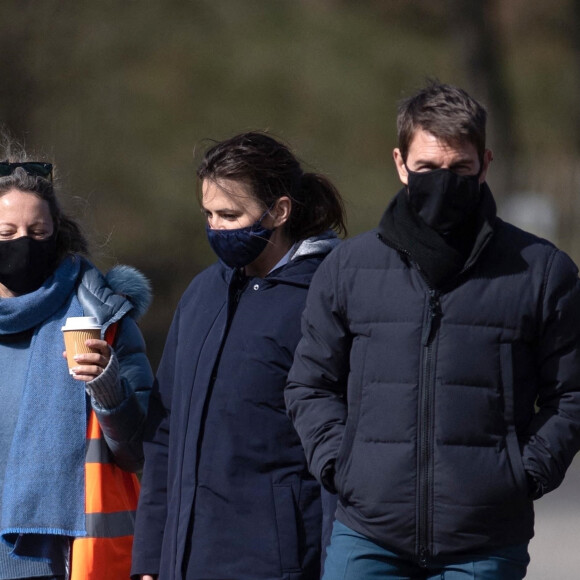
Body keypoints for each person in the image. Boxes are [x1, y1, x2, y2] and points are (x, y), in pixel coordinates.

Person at [284, 81, 580, 579]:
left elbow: (570, 394)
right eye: (426, 169)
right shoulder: (348, 269)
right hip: (367, 535)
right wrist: (342, 466)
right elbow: (310, 383)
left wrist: (522, 474)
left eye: (459, 169)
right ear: (400, 163)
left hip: (485, 541)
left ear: (485, 163)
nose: (442, 183)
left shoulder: (543, 272)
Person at [131, 131, 346, 580]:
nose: (216, 228)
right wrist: (151, 557)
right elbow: (164, 430)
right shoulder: (200, 294)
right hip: (181, 563)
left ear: (280, 211)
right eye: (208, 214)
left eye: (230, 214)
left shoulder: (327, 300)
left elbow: (339, 455)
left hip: (276, 564)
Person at [0, 151, 153, 580]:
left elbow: (139, 450)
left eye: (38, 231)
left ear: (58, 235)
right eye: (5, 233)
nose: (22, 243)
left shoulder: (101, 319)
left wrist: (107, 387)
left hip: (63, 562)